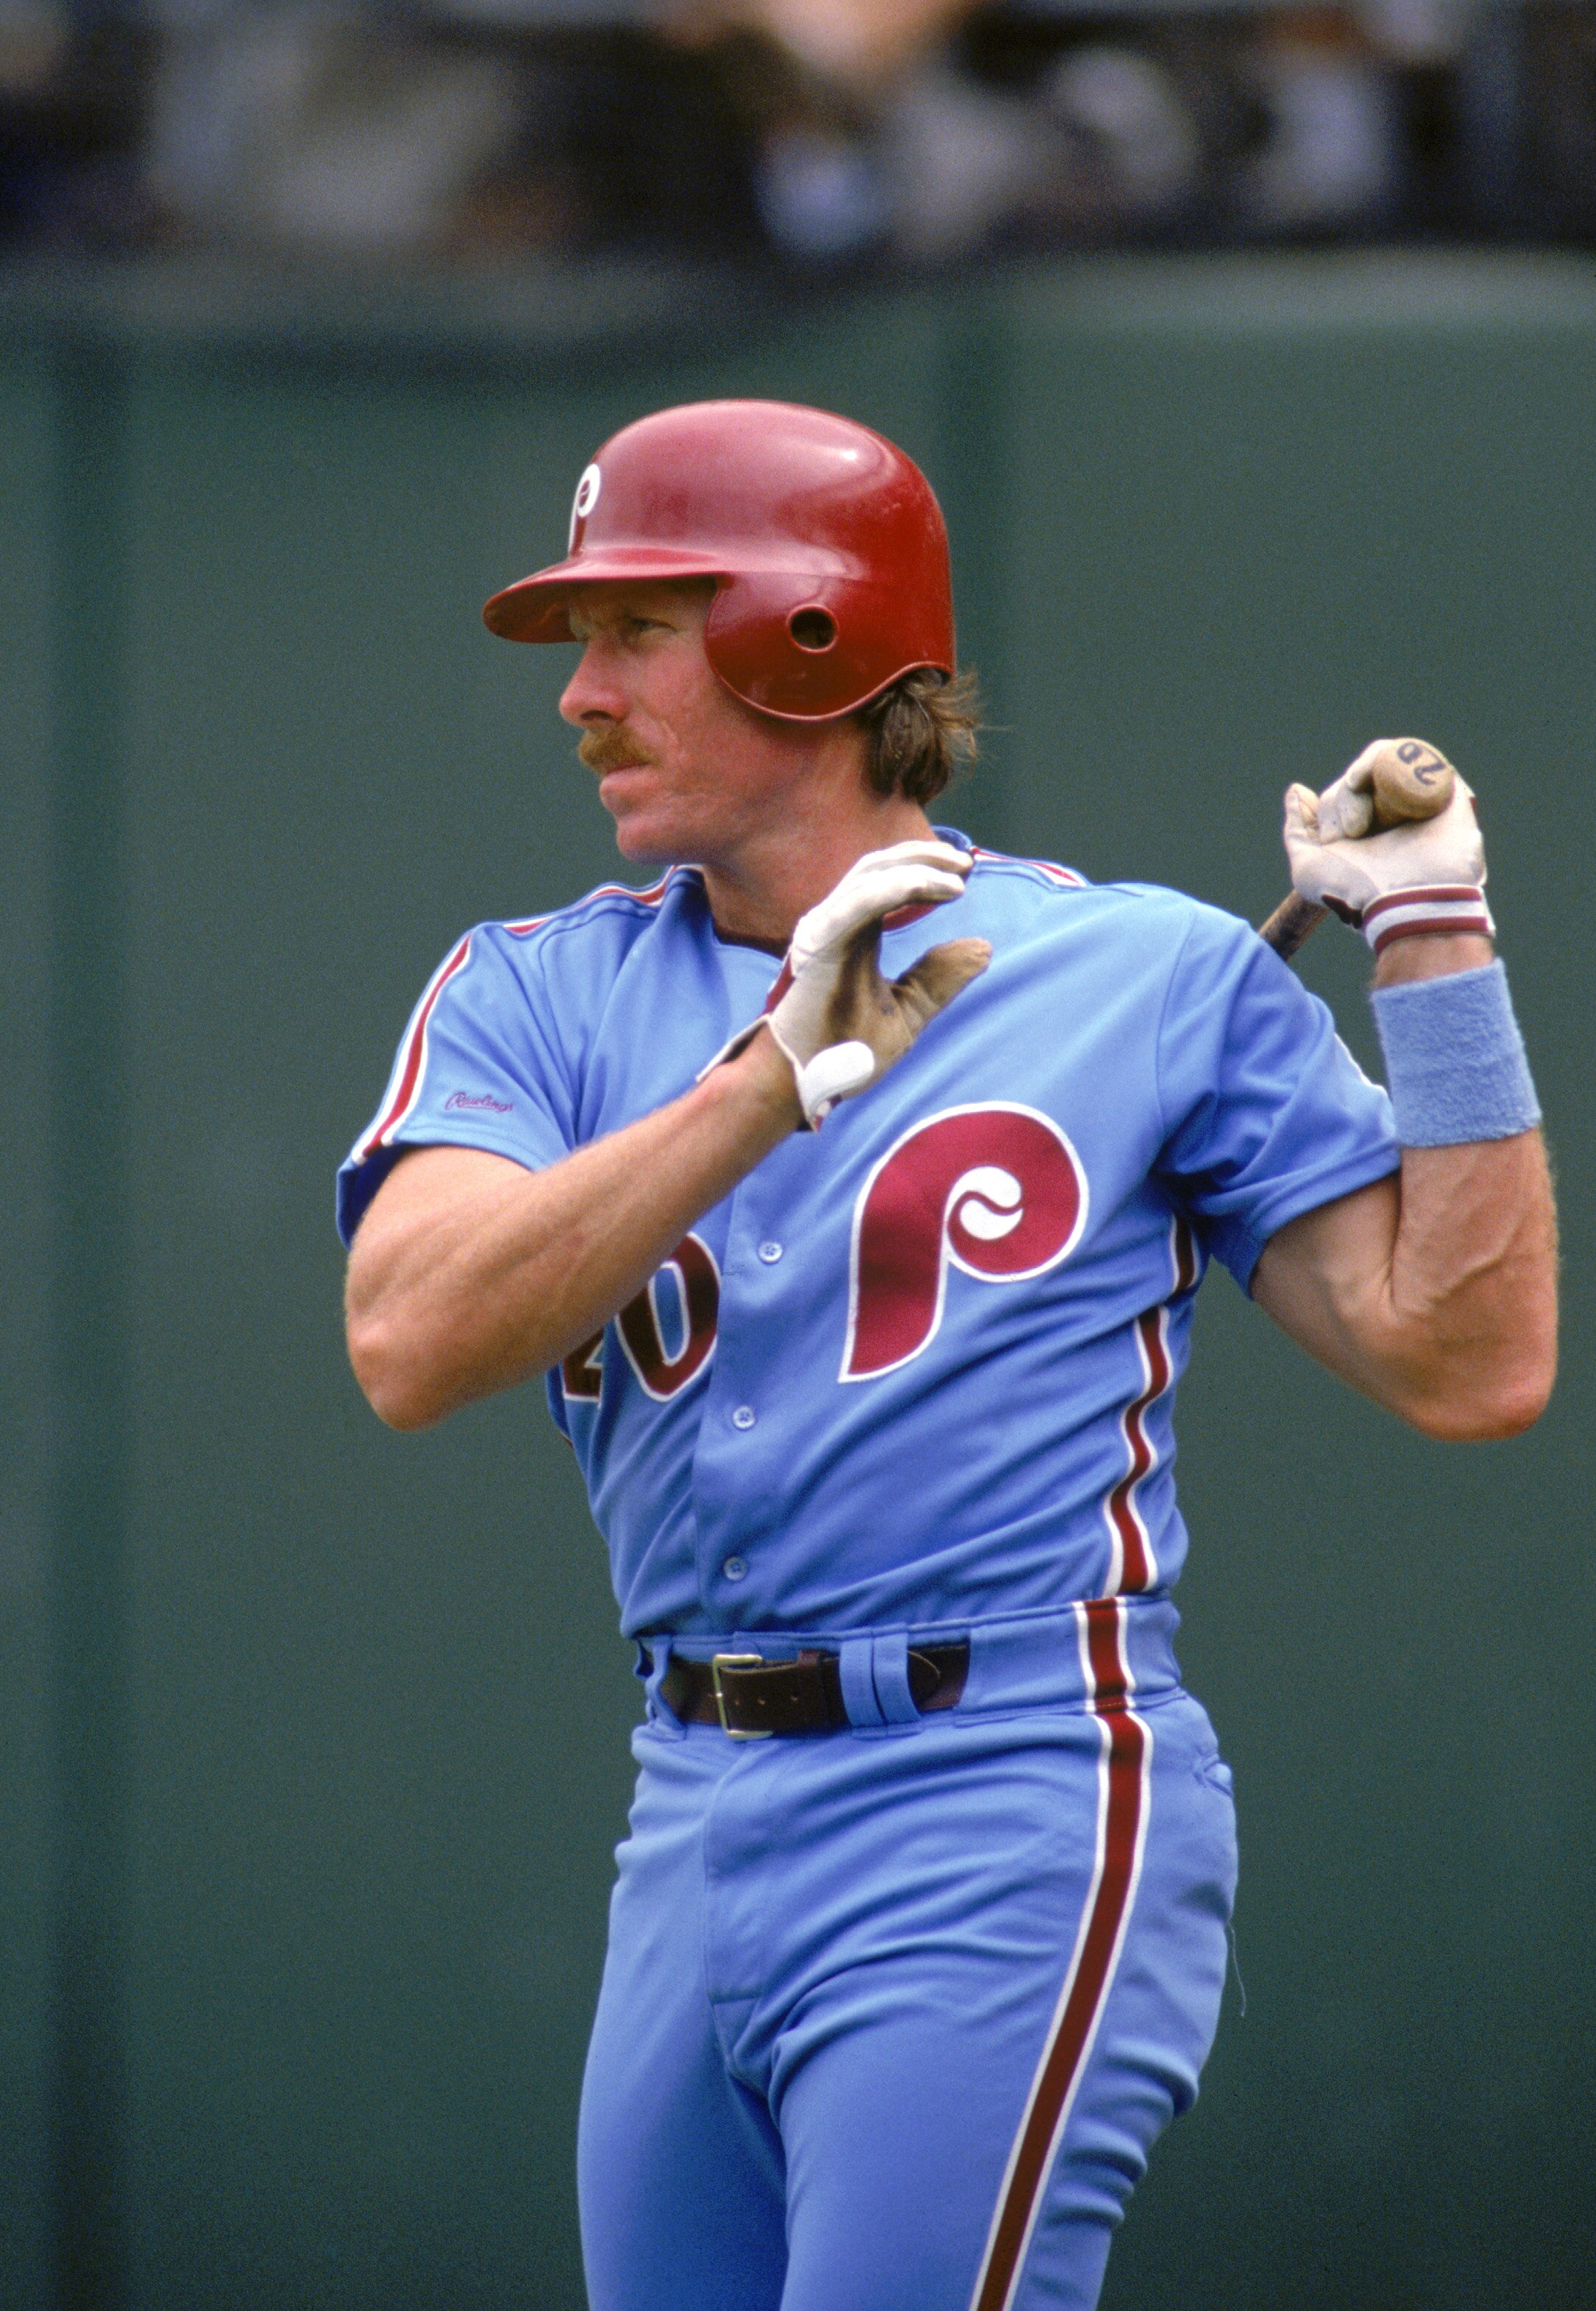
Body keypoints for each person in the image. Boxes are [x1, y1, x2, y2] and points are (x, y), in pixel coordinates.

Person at [337, 400, 1555, 2311]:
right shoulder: (535, 988)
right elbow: (411, 1340)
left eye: (638, 630)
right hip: (691, 1806)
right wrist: (768, 1081)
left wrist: (1435, 945)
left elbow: (1468, 1360)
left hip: (1001, 1785)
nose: (580, 695)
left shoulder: (1143, 973)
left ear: (808, 635)